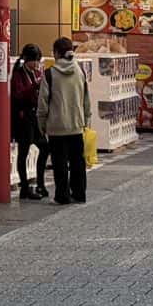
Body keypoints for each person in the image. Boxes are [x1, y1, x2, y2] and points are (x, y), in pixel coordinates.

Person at [40, 36, 94, 204]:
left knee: (59, 163)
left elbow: (42, 103)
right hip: (77, 125)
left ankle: (62, 196)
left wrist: (42, 125)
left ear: (56, 53)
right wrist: (86, 120)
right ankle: (79, 194)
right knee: (78, 162)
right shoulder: (80, 71)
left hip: (56, 126)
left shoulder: (49, 74)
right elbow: (86, 99)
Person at [11, 43, 48, 199]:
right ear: (26, 60)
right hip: (23, 117)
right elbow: (18, 94)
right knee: (23, 151)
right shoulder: (19, 73)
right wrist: (34, 85)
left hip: (34, 115)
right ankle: (24, 186)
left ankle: (40, 183)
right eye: (34, 61)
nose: (36, 64)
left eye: (38, 61)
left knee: (45, 147)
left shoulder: (36, 72)